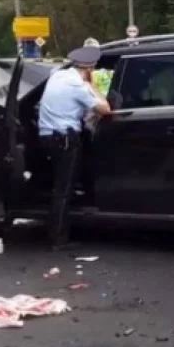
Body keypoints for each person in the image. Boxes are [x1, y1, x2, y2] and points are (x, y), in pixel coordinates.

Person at [37, 45, 112, 249]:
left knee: (60, 185)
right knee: (63, 190)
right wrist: (92, 84)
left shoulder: (57, 75)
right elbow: (105, 109)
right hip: (66, 139)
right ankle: (58, 239)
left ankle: (58, 229)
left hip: (47, 136)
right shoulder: (78, 85)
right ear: (89, 69)